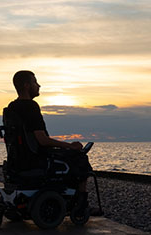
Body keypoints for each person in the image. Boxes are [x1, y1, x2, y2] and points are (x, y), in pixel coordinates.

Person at [7, 70, 92, 211]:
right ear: (27, 85)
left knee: (70, 156)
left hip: (18, 160)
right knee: (80, 158)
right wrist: (70, 146)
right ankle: (81, 204)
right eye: (35, 82)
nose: (39, 85)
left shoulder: (12, 107)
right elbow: (42, 140)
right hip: (36, 159)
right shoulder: (31, 107)